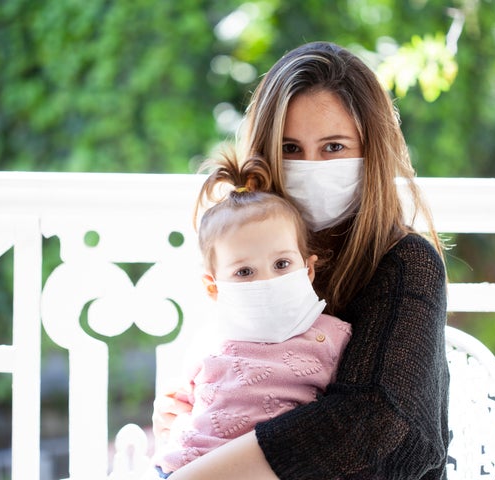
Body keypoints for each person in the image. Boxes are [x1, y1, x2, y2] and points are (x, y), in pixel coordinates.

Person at [155, 41, 450, 479]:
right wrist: (188, 414)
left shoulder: (407, 263)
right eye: (291, 149)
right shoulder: (240, 250)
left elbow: (372, 422)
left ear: (372, 150)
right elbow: (227, 369)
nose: (311, 165)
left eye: (333, 147)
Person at [152, 152, 352, 478]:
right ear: (213, 287)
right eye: (245, 271)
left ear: (309, 268)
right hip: (189, 466)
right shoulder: (211, 337)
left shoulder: (331, 336)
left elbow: (347, 418)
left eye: (282, 264)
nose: (267, 280)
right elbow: (179, 404)